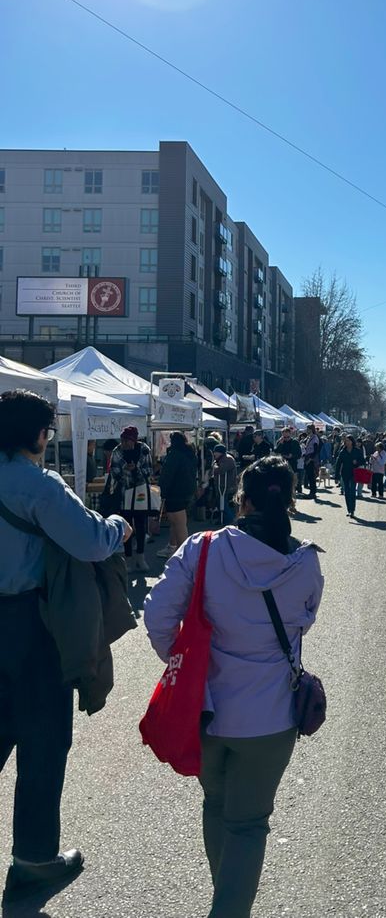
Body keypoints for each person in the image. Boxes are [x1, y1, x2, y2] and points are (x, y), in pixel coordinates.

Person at [143, 456, 323, 918]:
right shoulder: (304, 563)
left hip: (204, 708)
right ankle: (229, 907)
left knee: (216, 805)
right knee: (248, 824)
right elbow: (304, 621)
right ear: (291, 496)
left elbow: (158, 615)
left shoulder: (202, 549)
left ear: (240, 500)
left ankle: (226, 897)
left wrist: (180, 661)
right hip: (271, 717)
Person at [0, 390, 130, 898]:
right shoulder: (39, 486)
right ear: (37, 434)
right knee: (43, 741)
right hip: (30, 625)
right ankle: (33, 858)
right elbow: (90, 541)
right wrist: (118, 526)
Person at [110, 426, 154, 573]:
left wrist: (135, 470)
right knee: (126, 526)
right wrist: (125, 471)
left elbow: (149, 471)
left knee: (141, 526)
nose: (124, 443)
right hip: (124, 493)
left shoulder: (144, 450)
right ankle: (127, 559)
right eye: (123, 440)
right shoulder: (117, 451)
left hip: (141, 492)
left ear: (133, 440)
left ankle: (140, 557)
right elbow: (114, 472)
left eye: (127, 440)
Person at [157, 432, 198, 560]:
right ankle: (173, 547)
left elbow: (167, 476)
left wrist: (162, 492)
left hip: (175, 493)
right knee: (177, 523)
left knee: (179, 523)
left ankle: (184, 554)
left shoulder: (174, 455)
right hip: (187, 491)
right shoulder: (190, 454)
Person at [335, 434, 361, 519]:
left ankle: (353, 510)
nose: (347, 442)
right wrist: (337, 476)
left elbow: (363, 460)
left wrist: (356, 462)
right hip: (345, 473)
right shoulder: (343, 451)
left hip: (354, 473)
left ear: (352, 441)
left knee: (352, 491)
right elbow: (338, 464)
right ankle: (349, 510)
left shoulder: (357, 450)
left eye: (348, 440)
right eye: (345, 441)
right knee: (347, 491)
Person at [212, 444, 239, 526]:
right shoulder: (221, 459)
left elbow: (221, 470)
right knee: (221, 503)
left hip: (226, 485)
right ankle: (223, 519)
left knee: (224, 504)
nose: (214, 454)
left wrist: (215, 467)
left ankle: (230, 521)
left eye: (216, 452)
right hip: (222, 485)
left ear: (220, 452)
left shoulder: (228, 459)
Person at [302, 425, 320, 501]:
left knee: (312, 477)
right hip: (307, 457)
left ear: (311, 430)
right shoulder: (309, 437)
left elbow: (316, 450)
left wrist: (310, 459)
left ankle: (313, 493)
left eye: (308, 429)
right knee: (309, 476)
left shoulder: (315, 438)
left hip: (311, 459)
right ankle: (312, 492)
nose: (307, 430)